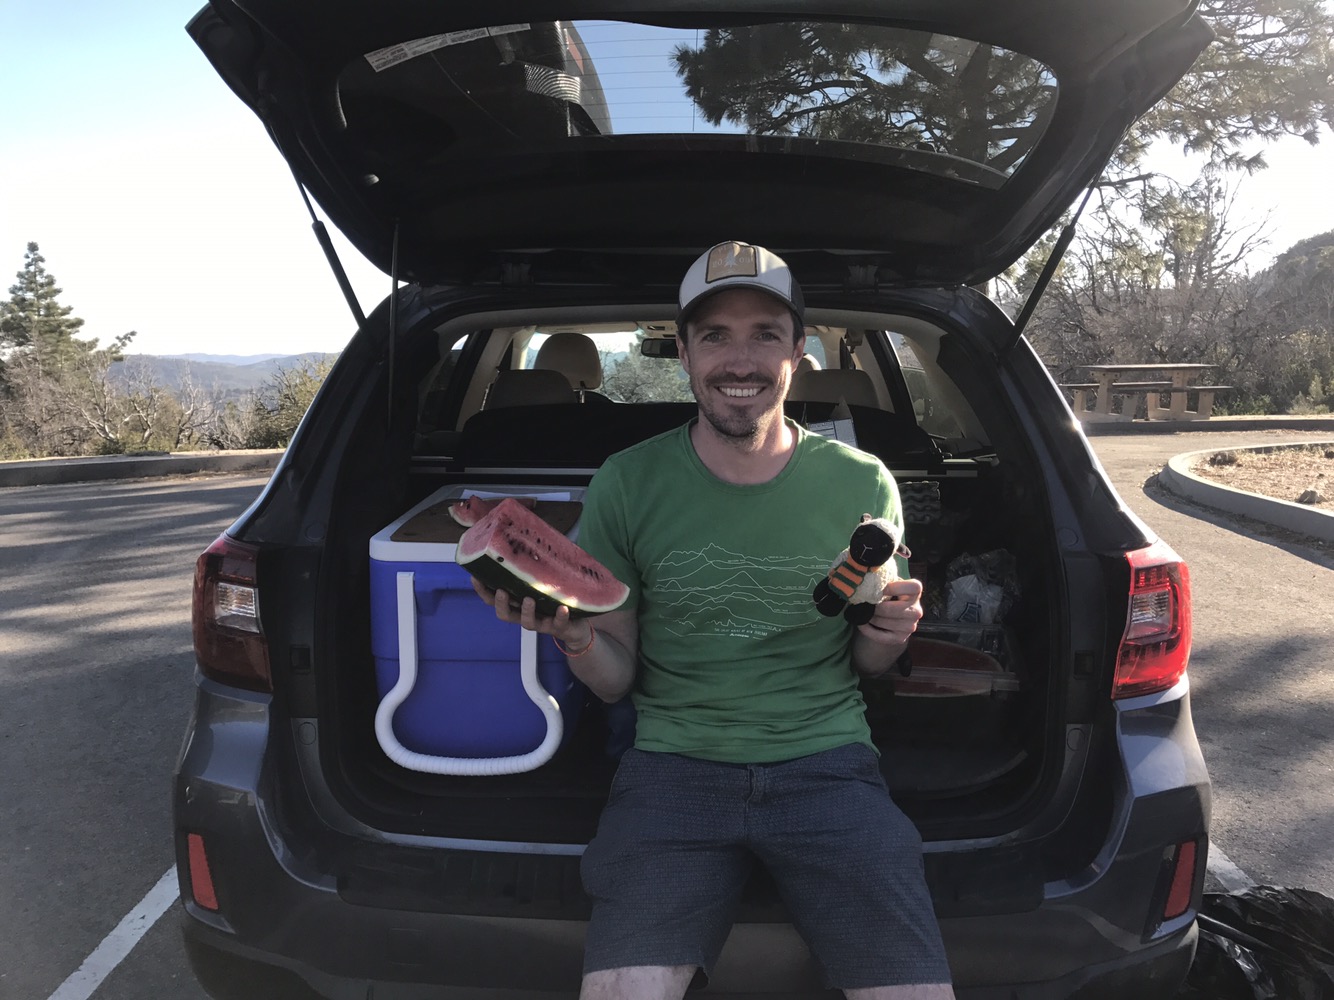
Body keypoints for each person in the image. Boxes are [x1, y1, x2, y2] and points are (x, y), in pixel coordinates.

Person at [472, 241, 954, 1000]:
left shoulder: (863, 481)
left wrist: (887, 636)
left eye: (765, 334)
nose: (740, 360)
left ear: (798, 349)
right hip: (672, 766)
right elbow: (615, 682)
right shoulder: (628, 482)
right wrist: (575, 635)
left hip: (828, 761)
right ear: (685, 351)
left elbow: (866, 666)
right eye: (715, 335)